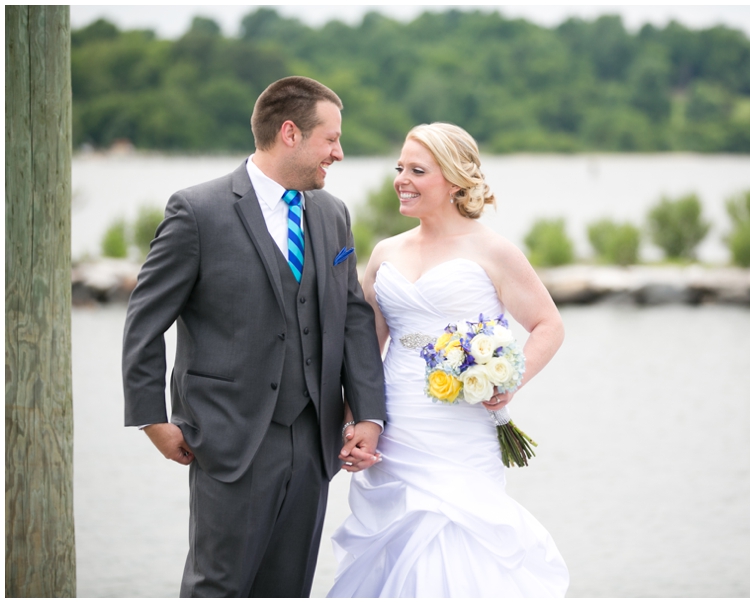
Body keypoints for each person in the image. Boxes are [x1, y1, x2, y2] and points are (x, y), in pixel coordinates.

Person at [121, 76, 387, 597]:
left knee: (289, 589)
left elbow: (354, 319)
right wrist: (151, 419)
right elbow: (144, 321)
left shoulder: (332, 214)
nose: (338, 152)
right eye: (330, 139)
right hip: (229, 439)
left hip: (314, 442)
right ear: (290, 133)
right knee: (217, 588)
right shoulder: (197, 212)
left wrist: (369, 414)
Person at [328, 122, 569, 597]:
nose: (402, 179)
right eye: (400, 167)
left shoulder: (493, 250)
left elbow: (548, 326)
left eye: (418, 170)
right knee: (400, 552)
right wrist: (356, 421)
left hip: (460, 427)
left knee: (457, 543)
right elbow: (363, 351)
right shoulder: (385, 251)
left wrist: (506, 383)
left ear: (456, 181)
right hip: (394, 429)